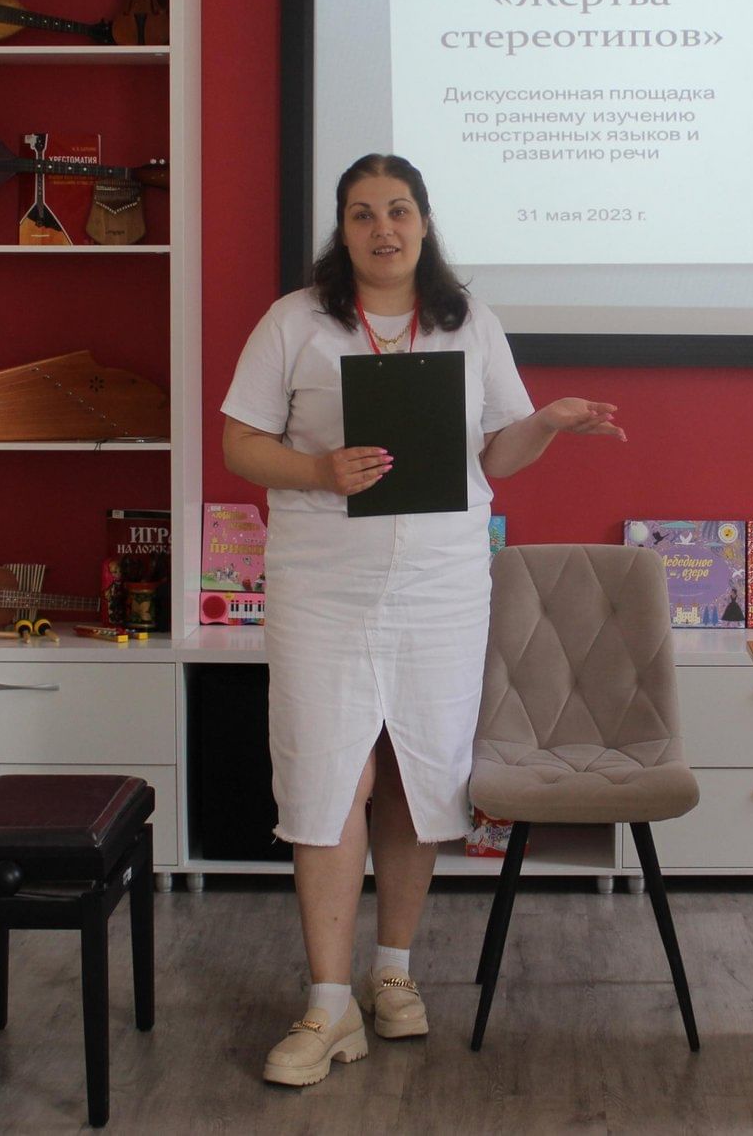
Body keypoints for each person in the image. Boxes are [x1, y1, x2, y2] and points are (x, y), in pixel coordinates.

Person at [220, 153, 626, 1087]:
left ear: (426, 221)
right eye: (363, 213)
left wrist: (548, 420)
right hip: (323, 584)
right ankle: (328, 1004)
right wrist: (319, 470)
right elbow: (240, 441)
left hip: (441, 586)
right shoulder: (296, 321)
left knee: (416, 770)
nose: (383, 229)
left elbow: (498, 453)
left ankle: (393, 972)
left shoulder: (468, 321)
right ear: (343, 228)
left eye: (399, 210)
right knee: (328, 775)